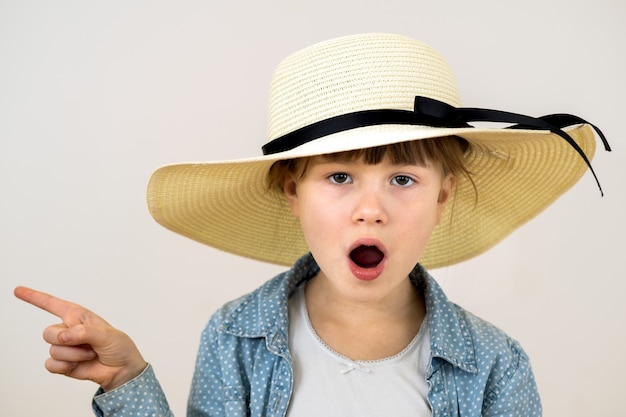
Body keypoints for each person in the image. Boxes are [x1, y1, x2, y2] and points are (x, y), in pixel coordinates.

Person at [14, 33, 609, 417]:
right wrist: (127, 382)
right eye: (340, 177)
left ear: (443, 196)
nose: (369, 209)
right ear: (291, 190)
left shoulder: (495, 364)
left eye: (403, 179)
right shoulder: (235, 338)